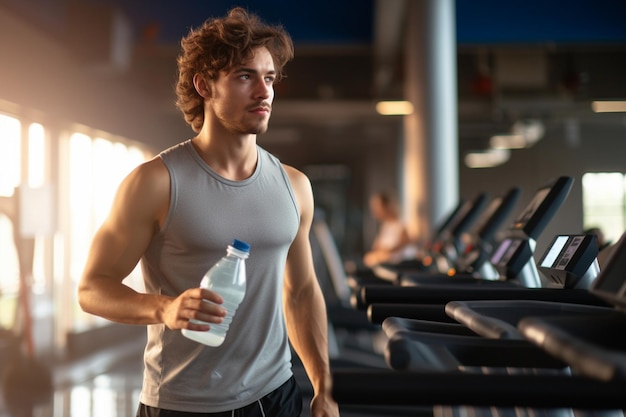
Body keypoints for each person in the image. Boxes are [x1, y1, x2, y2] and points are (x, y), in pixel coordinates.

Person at [78, 7, 339, 417]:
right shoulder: (156, 183)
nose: (263, 91)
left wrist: (323, 386)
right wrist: (163, 308)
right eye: (244, 76)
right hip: (182, 405)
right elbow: (92, 289)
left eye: (269, 77)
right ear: (204, 85)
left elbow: (302, 292)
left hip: (276, 396)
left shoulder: (295, 186)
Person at [362, 191, 412, 268]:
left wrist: (382, 254)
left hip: (397, 266)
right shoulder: (385, 226)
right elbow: (376, 247)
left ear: (387, 206)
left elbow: (400, 249)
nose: (375, 211)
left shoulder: (401, 226)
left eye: (378, 207)